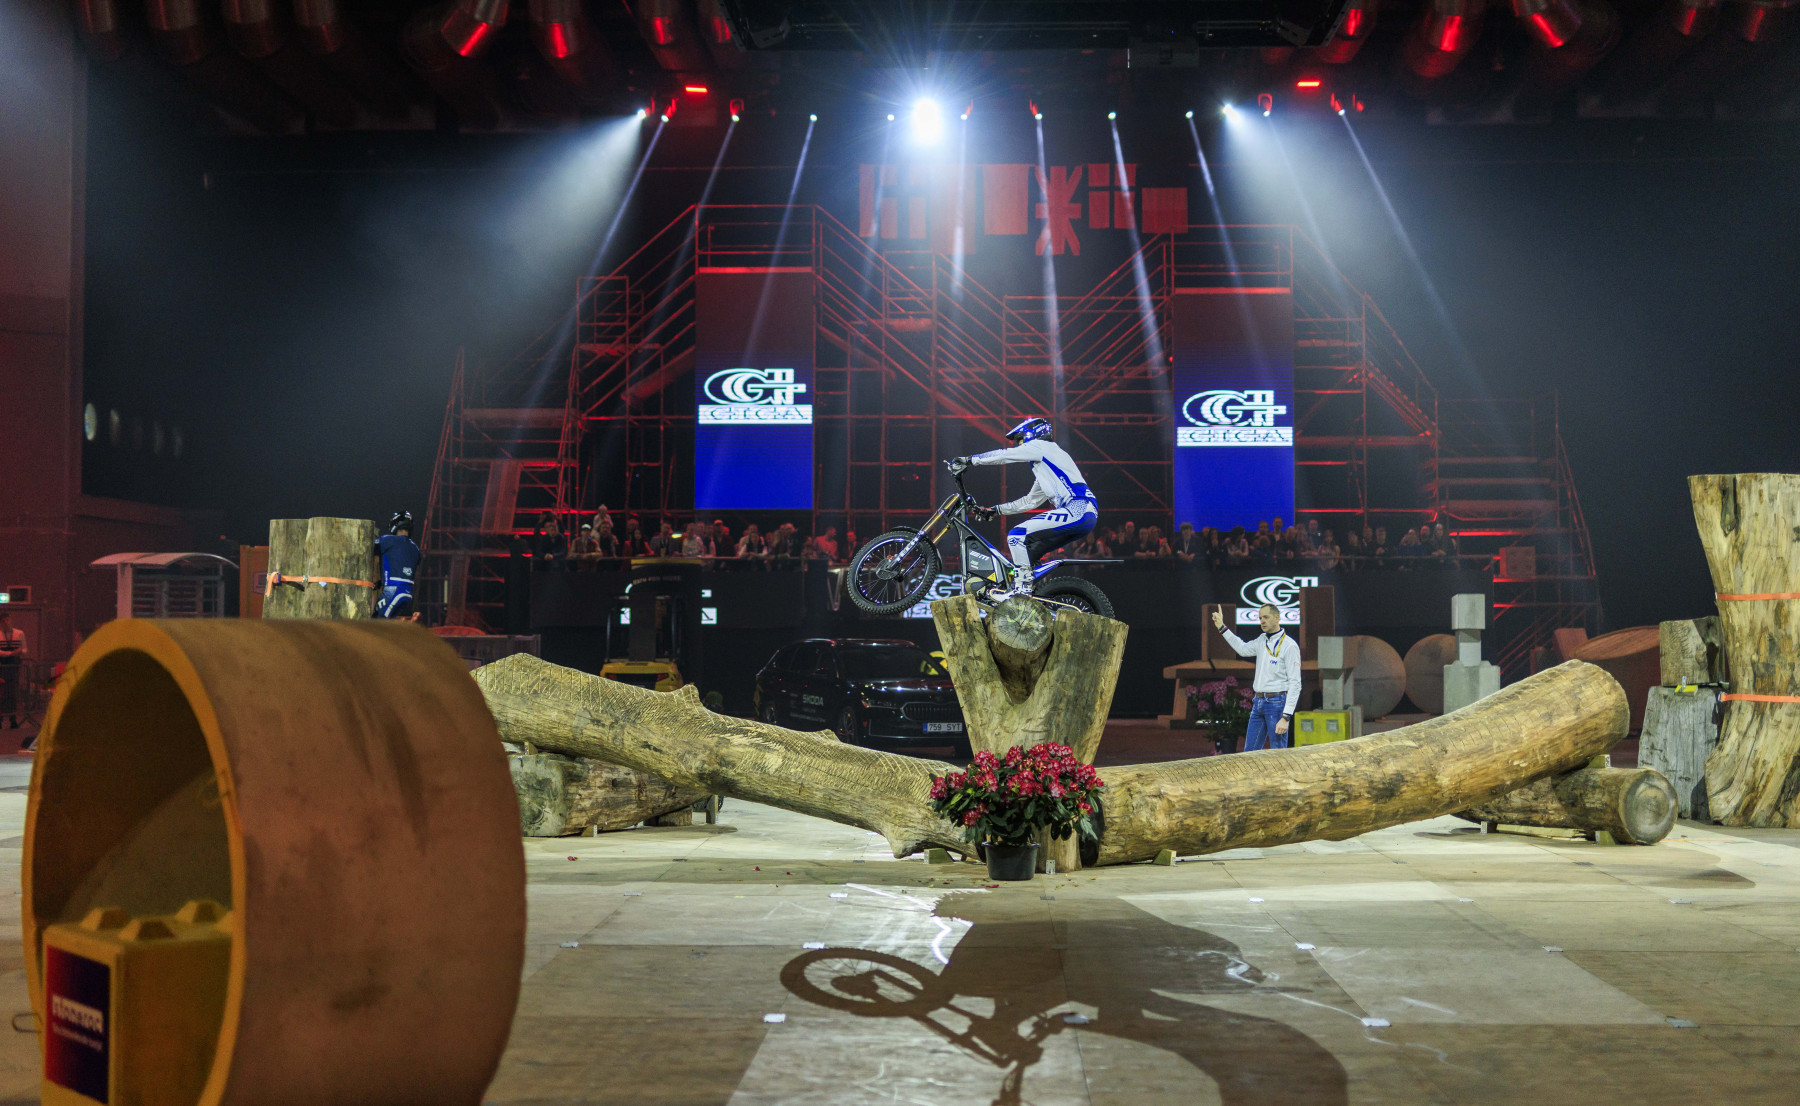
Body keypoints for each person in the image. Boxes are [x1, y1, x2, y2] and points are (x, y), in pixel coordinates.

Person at [947, 416, 1097, 596]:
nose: (1018, 445)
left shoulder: (1041, 446)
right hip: (1085, 514)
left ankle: (1022, 590)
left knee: (1016, 535)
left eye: (1020, 440)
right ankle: (1034, 593)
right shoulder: (1048, 463)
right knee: (1029, 551)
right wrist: (996, 510)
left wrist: (969, 460)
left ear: (1032, 434)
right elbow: (1030, 501)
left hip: (1078, 508)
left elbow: (1004, 455)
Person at [1210, 603, 1302, 751]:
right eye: (1260, 618)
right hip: (1258, 702)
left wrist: (1286, 716)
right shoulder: (1261, 640)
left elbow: (1295, 683)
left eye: (1266, 617)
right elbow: (1242, 649)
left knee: (1278, 754)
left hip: (1277, 703)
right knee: (1250, 753)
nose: (1262, 621)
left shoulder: (1289, 646)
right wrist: (1222, 627)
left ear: (1277, 618)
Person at [374, 510, 422, 619]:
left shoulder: (388, 540)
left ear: (395, 524)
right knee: (388, 624)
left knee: (376, 622)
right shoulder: (415, 548)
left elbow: (366, 546)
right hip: (408, 594)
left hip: (393, 590)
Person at [0, 610, 26, 729]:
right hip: (2, 666)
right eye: (3, 621)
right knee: (2, 693)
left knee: (12, 693)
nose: (6, 622)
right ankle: (1, 719)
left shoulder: (19, 633)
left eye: (7, 620)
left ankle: (12, 718)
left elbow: (24, 649)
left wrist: (19, 652)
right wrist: (11, 653)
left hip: (14, 667)